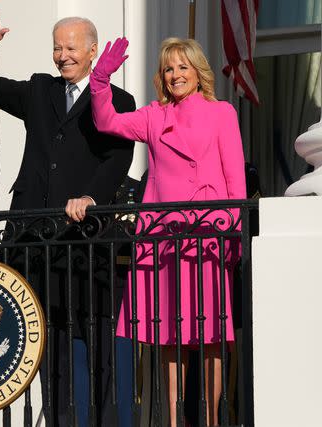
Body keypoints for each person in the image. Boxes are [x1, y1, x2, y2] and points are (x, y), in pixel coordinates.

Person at [0, 8, 135, 427]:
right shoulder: (40, 90)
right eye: (57, 48)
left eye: (71, 47)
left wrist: (92, 196)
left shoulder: (119, 101)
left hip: (87, 239)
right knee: (45, 340)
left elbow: (117, 157)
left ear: (93, 51)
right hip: (34, 237)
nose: (62, 55)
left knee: (95, 339)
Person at [90, 37, 246, 426]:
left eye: (182, 67)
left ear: (198, 73)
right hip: (161, 238)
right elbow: (107, 121)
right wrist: (100, 77)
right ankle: (174, 420)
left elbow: (235, 178)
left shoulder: (221, 112)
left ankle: (212, 419)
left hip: (209, 234)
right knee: (167, 333)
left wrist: (234, 233)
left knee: (210, 334)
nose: (175, 75)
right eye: (168, 69)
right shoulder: (154, 116)